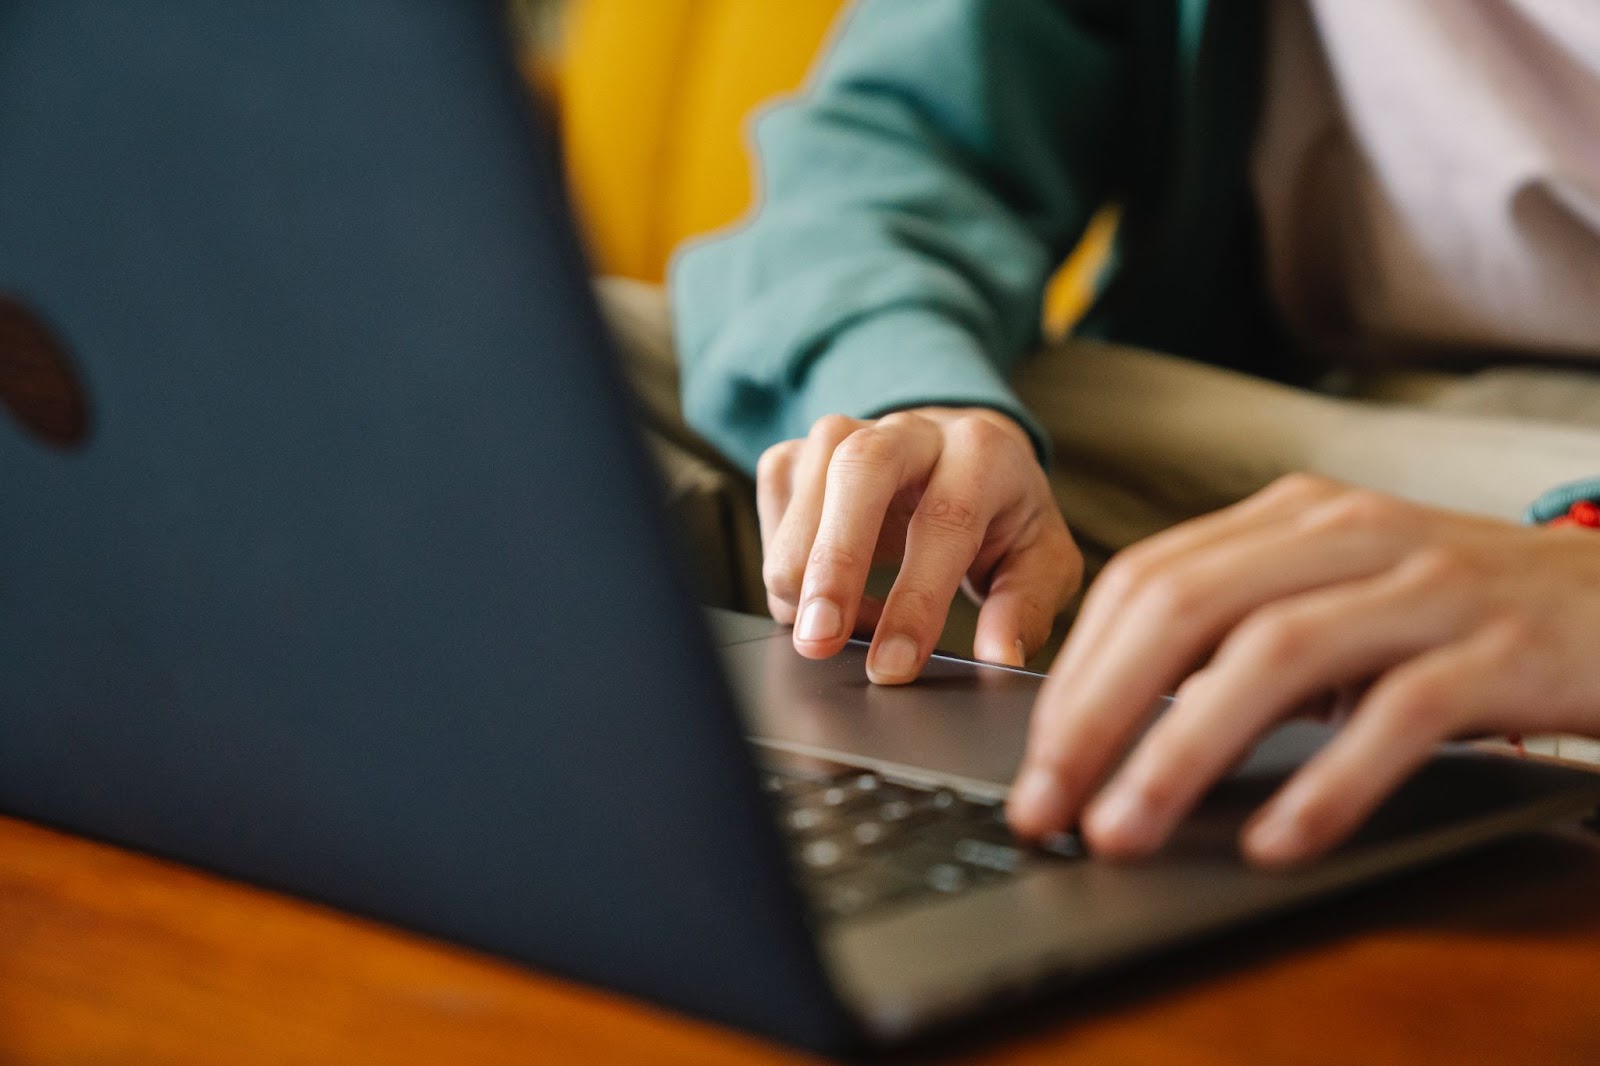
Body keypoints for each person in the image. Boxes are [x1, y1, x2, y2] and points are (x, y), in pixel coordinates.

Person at [663, 0, 1600, 868]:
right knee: (617, 366)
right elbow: (891, 150)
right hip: (1266, 411)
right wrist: (921, 399)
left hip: (1560, 503)